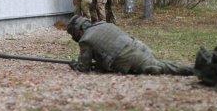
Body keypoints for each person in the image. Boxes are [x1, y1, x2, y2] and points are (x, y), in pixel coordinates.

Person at [66, 15, 194, 75]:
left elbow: (83, 67)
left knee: (163, 68)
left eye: (74, 34)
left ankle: (198, 69)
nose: (75, 38)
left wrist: (75, 65)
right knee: (163, 64)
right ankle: (193, 68)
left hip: (130, 58)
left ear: (79, 30)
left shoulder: (85, 39)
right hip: (139, 46)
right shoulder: (103, 24)